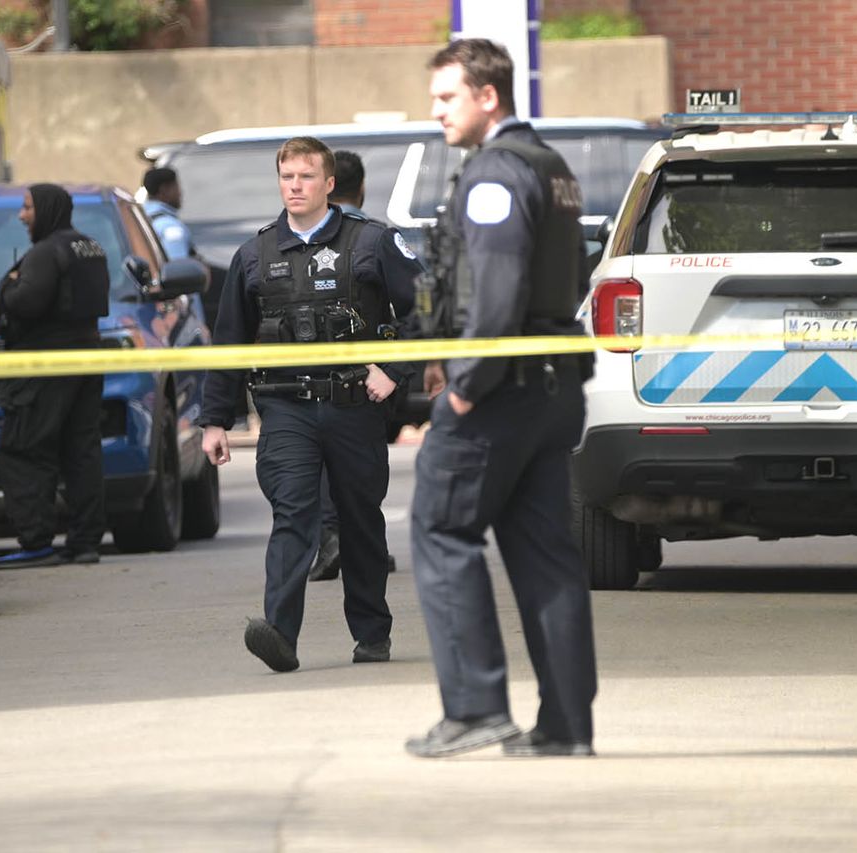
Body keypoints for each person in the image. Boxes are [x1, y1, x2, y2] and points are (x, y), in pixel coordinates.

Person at [405, 38, 598, 758]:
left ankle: (476, 706)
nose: (436, 111)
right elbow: (567, 278)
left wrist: (464, 389)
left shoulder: (494, 173)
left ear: (489, 96)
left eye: (447, 97)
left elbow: (497, 293)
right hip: (551, 390)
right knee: (547, 555)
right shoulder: (553, 169)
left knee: (440, 529)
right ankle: (565, 726)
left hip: (500, 393)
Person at [197, 136, 421, 672]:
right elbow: (228, 341)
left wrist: (393, 372)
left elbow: (426, 311)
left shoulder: (372, 244)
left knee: (360, 521)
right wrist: (213, 420)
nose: (294, 186)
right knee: (293, 515)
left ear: (328, 184)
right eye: (286, 177)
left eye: (305, 176)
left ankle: (371, 633)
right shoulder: (255, 254)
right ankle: (280, 635)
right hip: (286, 408)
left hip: (353, 406)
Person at [0, 184, 111, 570]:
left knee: (25, 449)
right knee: (82, 451)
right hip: (86, 360)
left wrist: (7, 289)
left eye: (27, 207)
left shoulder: (44, 253)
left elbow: (27, 301)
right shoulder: (90, 247)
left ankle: (37, 542)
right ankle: (86, 541)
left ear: (47, 209)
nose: (22, 215)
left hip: (43, 368)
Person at [307, 149, 401, 582]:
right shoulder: (376, 236)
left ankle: (334, 537)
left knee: (324, 457)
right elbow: (412, 305)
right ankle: (358, 541)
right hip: (368, 375)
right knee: (362, 461)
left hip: (306, 374)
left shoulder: (295, 238)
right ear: (361, 187)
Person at [142, 166, 194, 259]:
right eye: (176, 187)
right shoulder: (170, 227)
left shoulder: (138, 217)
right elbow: (178, 266)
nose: (180, 193)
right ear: (164, 190)